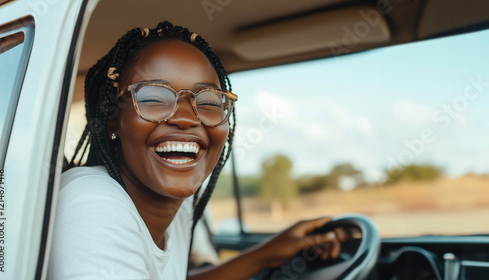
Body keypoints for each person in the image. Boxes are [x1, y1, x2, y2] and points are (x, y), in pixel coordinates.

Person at [48, 21, 346, 280]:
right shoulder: (93, 204)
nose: (187, 117)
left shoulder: (178, 208)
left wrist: (267, 253)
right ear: (112, 119)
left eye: (209, 101)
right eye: (153, 97)